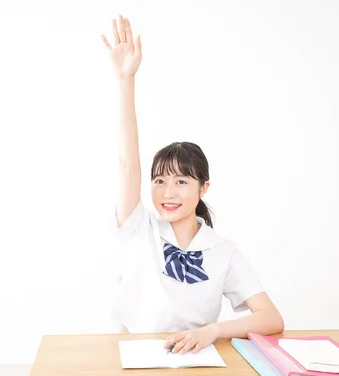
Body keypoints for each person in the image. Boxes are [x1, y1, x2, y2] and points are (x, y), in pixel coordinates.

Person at [102, 15, 284, 355]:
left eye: (181, 181)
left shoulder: (223, 251)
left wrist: (212, 331)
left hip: (196, 359)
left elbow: (272, 319)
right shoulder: (139, 227)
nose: (168, 193)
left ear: (204, 188)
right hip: (135, 356)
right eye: (160, 181)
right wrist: (125, 79)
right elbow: (128, 165)